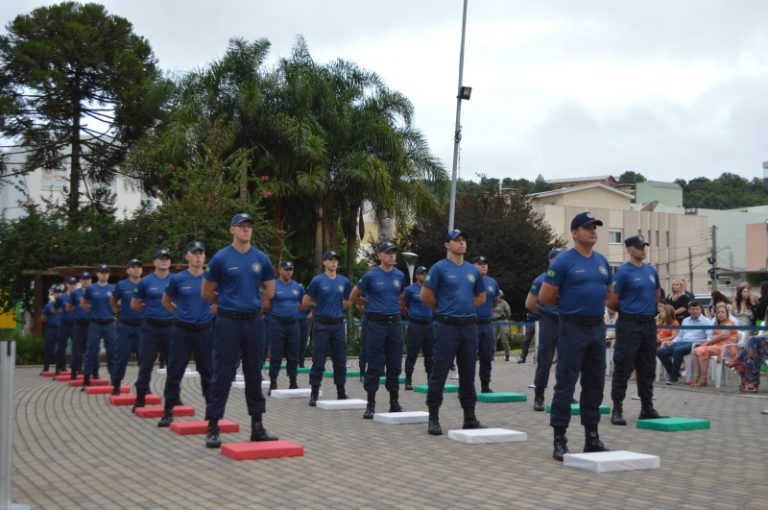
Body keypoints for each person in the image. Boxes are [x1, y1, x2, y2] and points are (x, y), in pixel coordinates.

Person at [538, 212, 612, 461]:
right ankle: (560, 438)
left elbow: (609, 295)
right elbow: (545, 297)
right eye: (587, 227)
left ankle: (592, 437)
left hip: (597, 327)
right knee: (566, 383)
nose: (593, 230)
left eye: (595, 227)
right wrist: (570, 306)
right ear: (574, 232)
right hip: (572, 328)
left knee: (595, 383)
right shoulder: (563, 262)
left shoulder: (602, 261)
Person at [202, 213, 278, 447]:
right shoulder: (221, 258)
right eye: (242, 226)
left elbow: (270, 290)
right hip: (228, 322)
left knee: (254, 372)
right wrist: (226, 303)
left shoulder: (261, 258)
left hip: (253, 321)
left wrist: (252, 303)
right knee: (223, 372)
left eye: (249, 227)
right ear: (232, 230)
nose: (246, 230)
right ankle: (213, 425)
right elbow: (207, 292)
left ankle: (257, 426)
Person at [420, 229, 486, 436]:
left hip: (468, 326)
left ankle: (469, 417)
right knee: (439, 371)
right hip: (446, 326)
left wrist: (465, 306)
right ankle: (433, 417)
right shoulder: (439, 268)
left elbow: (481, 297)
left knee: (468, 372)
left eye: (463, 240)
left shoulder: (472, 270)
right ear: (447, 244)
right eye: (457, 241)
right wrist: (442, 310)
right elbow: (426, 295)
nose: (462, 244)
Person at [606, 234, 665, 426]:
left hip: (648, 323)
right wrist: (631, 310)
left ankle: (647, 408)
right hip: (629, 323)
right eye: (639, 247)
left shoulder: (651, 270)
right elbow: (612, 301)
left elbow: (656, 294)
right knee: (623, 366)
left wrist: (646, 310)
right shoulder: (623, 272)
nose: (643, 250)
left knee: (647, 367)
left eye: (644, 246)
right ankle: (617, 409)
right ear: (629, 249)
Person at [158, 241, 215, 427]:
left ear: (205, 257)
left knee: (207, 371)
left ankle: (210, 412)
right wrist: (180, 313)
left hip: (204, 331)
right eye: (194, 253)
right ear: (187, 256)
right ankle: (168, 411)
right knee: (175, 370)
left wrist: (208, 314)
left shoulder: (211, 278)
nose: (198, 257)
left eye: (201, 253)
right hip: (182, 330)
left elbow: (218, 300)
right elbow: (166, 301)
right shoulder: (177, 279)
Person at [351, 241, 406, 418]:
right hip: (376, 323)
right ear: (380, 255)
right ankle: (371, 403)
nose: (391, 255)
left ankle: (394, 402)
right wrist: (368, 305)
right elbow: (354, 295)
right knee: (374, 363)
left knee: (395, 363)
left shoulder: (399, 275)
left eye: (394, 253)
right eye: (388, 253)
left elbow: (400, 295)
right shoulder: (371, 275)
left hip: (394, 323)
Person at [300, 250, 353, 406]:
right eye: (330, 260)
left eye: (335, 260)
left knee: (340, 360)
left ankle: (341, 391)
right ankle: (314, 392)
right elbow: (305, 301)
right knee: (318, 359)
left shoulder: (343, 281)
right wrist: (318, 306)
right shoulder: (317, 281)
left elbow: (350, 300)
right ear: (324, 262)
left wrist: (339, 307)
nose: (333, 262)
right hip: (321, 324)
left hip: (337, 324)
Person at [131, 249, 175, 411]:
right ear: (155, 262)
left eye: (167, 259)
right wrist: (151, 311)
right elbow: (135, 304)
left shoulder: (176, 280)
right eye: (161, 259)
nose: (164, 261)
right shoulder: (145, 281)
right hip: (151, 327)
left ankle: (173, 397)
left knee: (174, 365)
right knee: (146, 363)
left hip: (171, 327)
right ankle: (141, 397)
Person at [524, 248, 562, 412]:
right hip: (549, 321)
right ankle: (539, 396)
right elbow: (530, 304)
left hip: (567, 322)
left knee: (568, 361)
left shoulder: (567, 279)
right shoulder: (542, 280)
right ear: (550, 261)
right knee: (545, 360)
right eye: (557, 259)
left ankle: (566, 394)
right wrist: (545, 314)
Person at [263, 260, 304, 393]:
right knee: (276, 354)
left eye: (291, 269)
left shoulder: (298, 287)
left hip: (293, 324)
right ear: (280, 270)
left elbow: (302, 303)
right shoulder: (273, 285)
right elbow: (266, 304)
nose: (289, 271)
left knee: (293, 354)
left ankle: (293, 382)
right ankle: (273, 383)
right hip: (277, 323)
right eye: (286, 269)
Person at [657, 301, 713, 384]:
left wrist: (707, 341)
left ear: (700, 310)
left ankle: (673, 378)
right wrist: (673, 341)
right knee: (661, 352)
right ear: (689, 310)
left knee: (678, 350)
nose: (695, 311)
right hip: (682, 342)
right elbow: (680, 335)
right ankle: (675, 373)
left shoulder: (706, 321)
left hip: (695, 343)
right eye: (693, 309)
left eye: (697, 309)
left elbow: (709, 336)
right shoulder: (686, 321)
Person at [80, 264, 117, 389]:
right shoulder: (91, 288)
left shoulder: (113, 288)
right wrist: (91, 311)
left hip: (109, 323)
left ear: (109, 274)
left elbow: (118, 304)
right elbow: (83, 303)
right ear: (97, 274)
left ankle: (114, 378)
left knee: (112, 351)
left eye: (106, 272)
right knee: (91, 351)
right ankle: (86, 379)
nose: (104, 274)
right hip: (95, 323)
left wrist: (114, 311)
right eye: (102, 272)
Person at [110, 259, 144, 395]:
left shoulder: (146, 284)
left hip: (142, 326)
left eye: (138, 267)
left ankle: (143, 385)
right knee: (121, 357)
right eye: (133, 267)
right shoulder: (121, 285)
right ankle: (116, 385)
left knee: (144, 358)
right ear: (128, 270)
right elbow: (113, 300)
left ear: (141, 270)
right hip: (126, 326)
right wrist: (120, 310)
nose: (136, 269)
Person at [401, 265, 434, 390]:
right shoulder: (410, 289)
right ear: (416, 276)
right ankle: (408, 379)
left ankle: (430, 379)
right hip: (415, 325)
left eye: (425, 274)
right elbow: (402, 306)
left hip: (429, 324)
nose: (424, 276)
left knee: (430, 354)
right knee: (412, 354)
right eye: (421, 274)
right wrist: (410, 317)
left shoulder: (431, 289)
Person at [690, 303, 737, 387]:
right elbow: (713, 337)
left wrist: (709, 342)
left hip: (725, 347)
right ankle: (699, 377)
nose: (720, 314)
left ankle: (703, 378)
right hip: (715, 346)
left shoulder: (730, 323)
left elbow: (724, 335)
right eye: (718, 312)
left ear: (727, 314)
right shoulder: (717, 324)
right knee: (695, 351)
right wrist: (707, 340)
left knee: (701, 351)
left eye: (722, 312)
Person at [472, 255, 500, 393]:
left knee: (487, 356)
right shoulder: (469, 280)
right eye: (480, 263)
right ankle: (467, 386)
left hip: (487, 323)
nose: (483, 266)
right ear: (473, 266)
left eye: (485, 264)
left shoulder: (492, 282)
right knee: (469, 356)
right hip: (472, 323)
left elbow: (495, 301)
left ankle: (485, 385)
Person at [68, 271, 92, 379]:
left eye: (88, 279)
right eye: (84, 279)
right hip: (79, 324)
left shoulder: (94, 291)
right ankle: (74, 370)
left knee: (90, 348)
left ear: (90, 280)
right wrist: (78, 312)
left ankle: (88, 371)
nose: (86, 281)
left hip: (91, 323)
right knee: (77, 348)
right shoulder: (75, 293)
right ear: (80, 281)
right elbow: (69, 307)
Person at [54, 277, 77, 375]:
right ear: (67, 285)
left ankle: (76, 368)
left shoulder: (79, 296)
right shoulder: (61, 297)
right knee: (61, 347)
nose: (72, 285)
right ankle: (59, 366)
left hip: (75, 325)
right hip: (63, 325)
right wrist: (63, 314)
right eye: (70, 283)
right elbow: (55, 309)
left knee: (76, 347)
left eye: (74, 283)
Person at [41, 285, 63, 374]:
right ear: (53, 294)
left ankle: (61, 368)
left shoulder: (65, 305)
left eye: (59, 292)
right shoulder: (48, 305)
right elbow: (43, 318)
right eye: (56, 292)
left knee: (61, 349)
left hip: (61, 329)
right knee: (48, 348)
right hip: (51, 329)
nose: (57, 294)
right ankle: (46, 367)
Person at [492, 291, 512, 362]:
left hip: (502, 321)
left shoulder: (504, 303)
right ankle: (492, 356)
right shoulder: (490, 302)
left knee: (504, 339)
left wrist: (507, 319)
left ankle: (507, 355)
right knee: (492, 339)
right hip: (493, 321)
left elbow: (508, 313)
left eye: (498, 295)